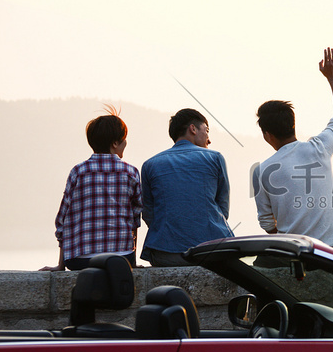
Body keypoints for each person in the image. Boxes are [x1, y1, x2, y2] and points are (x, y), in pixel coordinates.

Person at [253, 47, 333, 251]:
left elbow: (267, 224)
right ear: (293, 125)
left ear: (267, 135)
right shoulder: (320, 147)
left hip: (295, 255)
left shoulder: (262, 170)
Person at [41, 106, 142, 271]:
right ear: (115, 143)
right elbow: (135, 219)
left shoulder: (78, 172)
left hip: (79, 259)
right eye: (124, 139)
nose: (126, 143)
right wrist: (132, 261)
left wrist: (61, 265)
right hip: (122, 258)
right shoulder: (130, 172)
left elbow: (62, 220)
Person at [140, 108, 233, 267]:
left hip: (165, 253)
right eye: (206, 130)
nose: (208, 139)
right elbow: (223, 208)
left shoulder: (150, 165)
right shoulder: (215, 158)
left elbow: (149, 213)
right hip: (211, 251)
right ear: (193, 128)